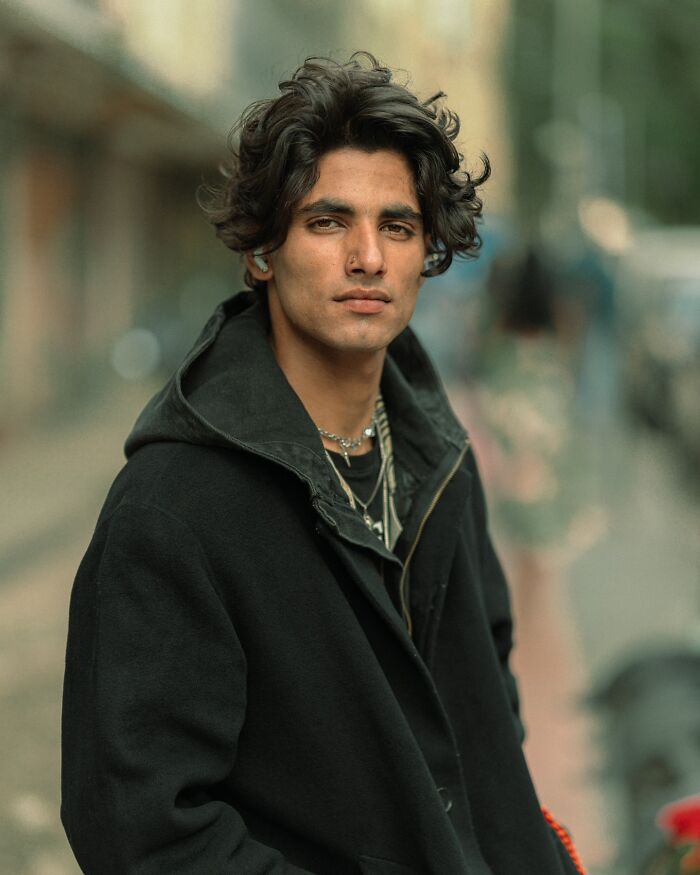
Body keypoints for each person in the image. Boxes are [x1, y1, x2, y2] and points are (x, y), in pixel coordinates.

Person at [61, 53, 584, 875]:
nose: (368, 256)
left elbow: (487, 699)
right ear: (262, 251)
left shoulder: (438, 455)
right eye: (329, 222)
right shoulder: (172, 508)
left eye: (398, 226)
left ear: (426, 253)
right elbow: (144, 832)